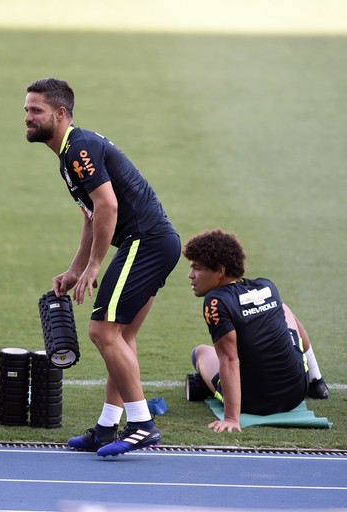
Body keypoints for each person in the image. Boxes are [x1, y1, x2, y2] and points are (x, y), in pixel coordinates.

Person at [24, 78, 181, 456]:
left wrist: (95, 265)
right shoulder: (70, 154)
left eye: (36, 111)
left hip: (145, 242)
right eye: (26, 110)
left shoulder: (79, 148)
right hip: (152, 242)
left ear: (60, 114)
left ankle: (142, 424)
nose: (27, 117)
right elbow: (92, 216)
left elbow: (107, 206)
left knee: (102, 331)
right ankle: (108, 426)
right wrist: (75, 268)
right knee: (120, 338)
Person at [183, 229, 329, 433]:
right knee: (283, 308)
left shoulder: (215, 301)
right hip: (296, 393)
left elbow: (229, 360)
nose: (191, 275)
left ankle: (218, 393)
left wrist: (232, 418)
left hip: (252, 403)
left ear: (220, 271)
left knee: (200, 352)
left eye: (197, 268)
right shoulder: (267, 286)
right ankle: (317, 381)